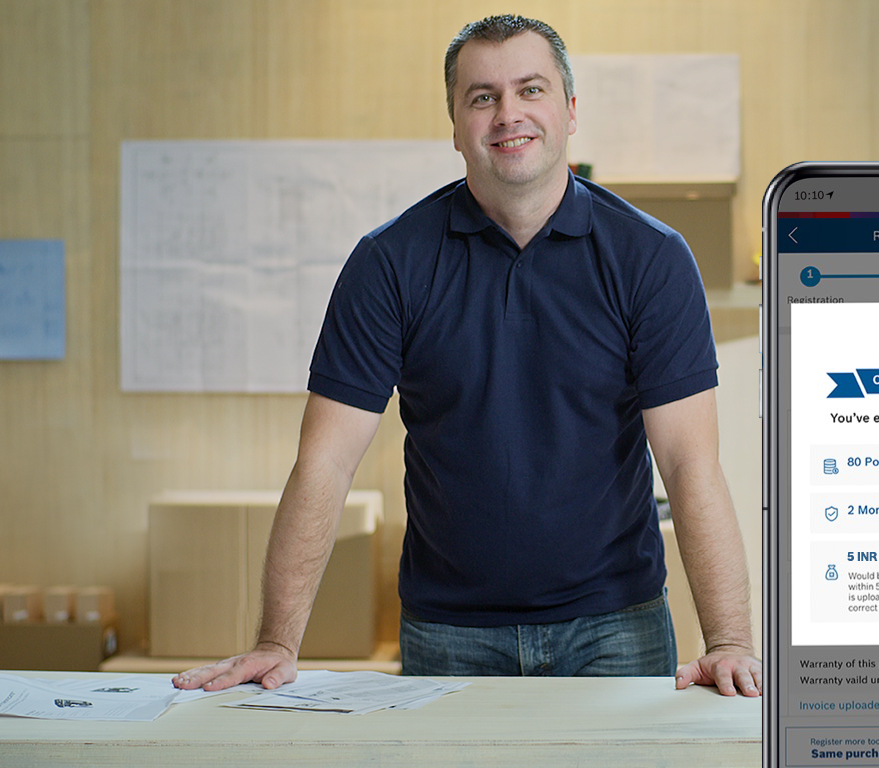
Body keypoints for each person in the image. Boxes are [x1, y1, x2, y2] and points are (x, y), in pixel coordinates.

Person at [174, 14, 762, 698]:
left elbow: (690, 465)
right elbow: (325, 462)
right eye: (483, 97)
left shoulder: (650, 259)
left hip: (614, 627)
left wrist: (729, 642)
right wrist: (277, 642)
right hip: (449, 633)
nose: (508, 113)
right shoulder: (389, 264)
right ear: (455, 125)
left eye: (531, 89)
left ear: (571, 110)